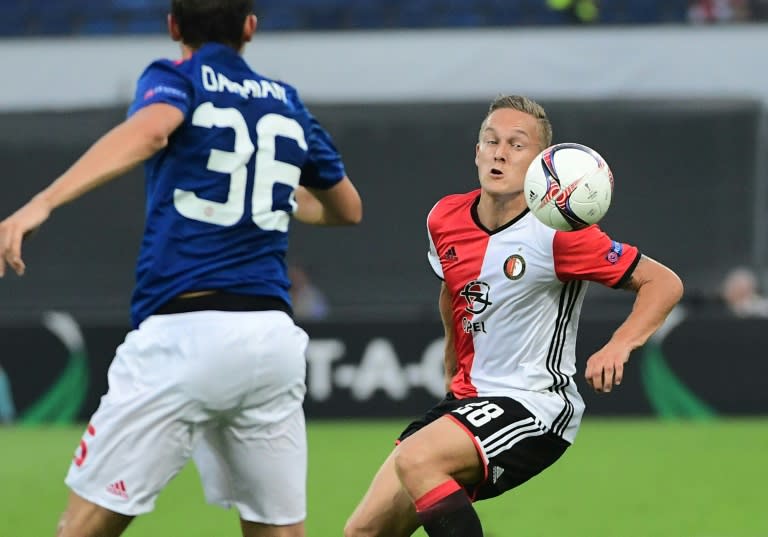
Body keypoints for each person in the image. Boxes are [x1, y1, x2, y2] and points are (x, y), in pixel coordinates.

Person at [0, 1, 362, 536]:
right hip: (272, 341)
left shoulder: (175, 78)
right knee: (278, 531)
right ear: (250, 28)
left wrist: (45, 201)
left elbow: (150, 132)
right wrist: (278, 197)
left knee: (83, 526)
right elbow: (347, 208)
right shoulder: (286, 102)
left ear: (173, 26)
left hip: (186, 335)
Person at [344, 95, 683, 537]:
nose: (500, 152)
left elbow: (664, 283)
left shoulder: (561, 234)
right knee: (362, 532)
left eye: (516, 145)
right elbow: (453, 291)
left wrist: (621, 344)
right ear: (477, 152)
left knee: (417, 458)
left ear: (541, 163)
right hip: (468, 400)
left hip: (535, 404)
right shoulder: (443, 217)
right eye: (491, 141)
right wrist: (451, 359)